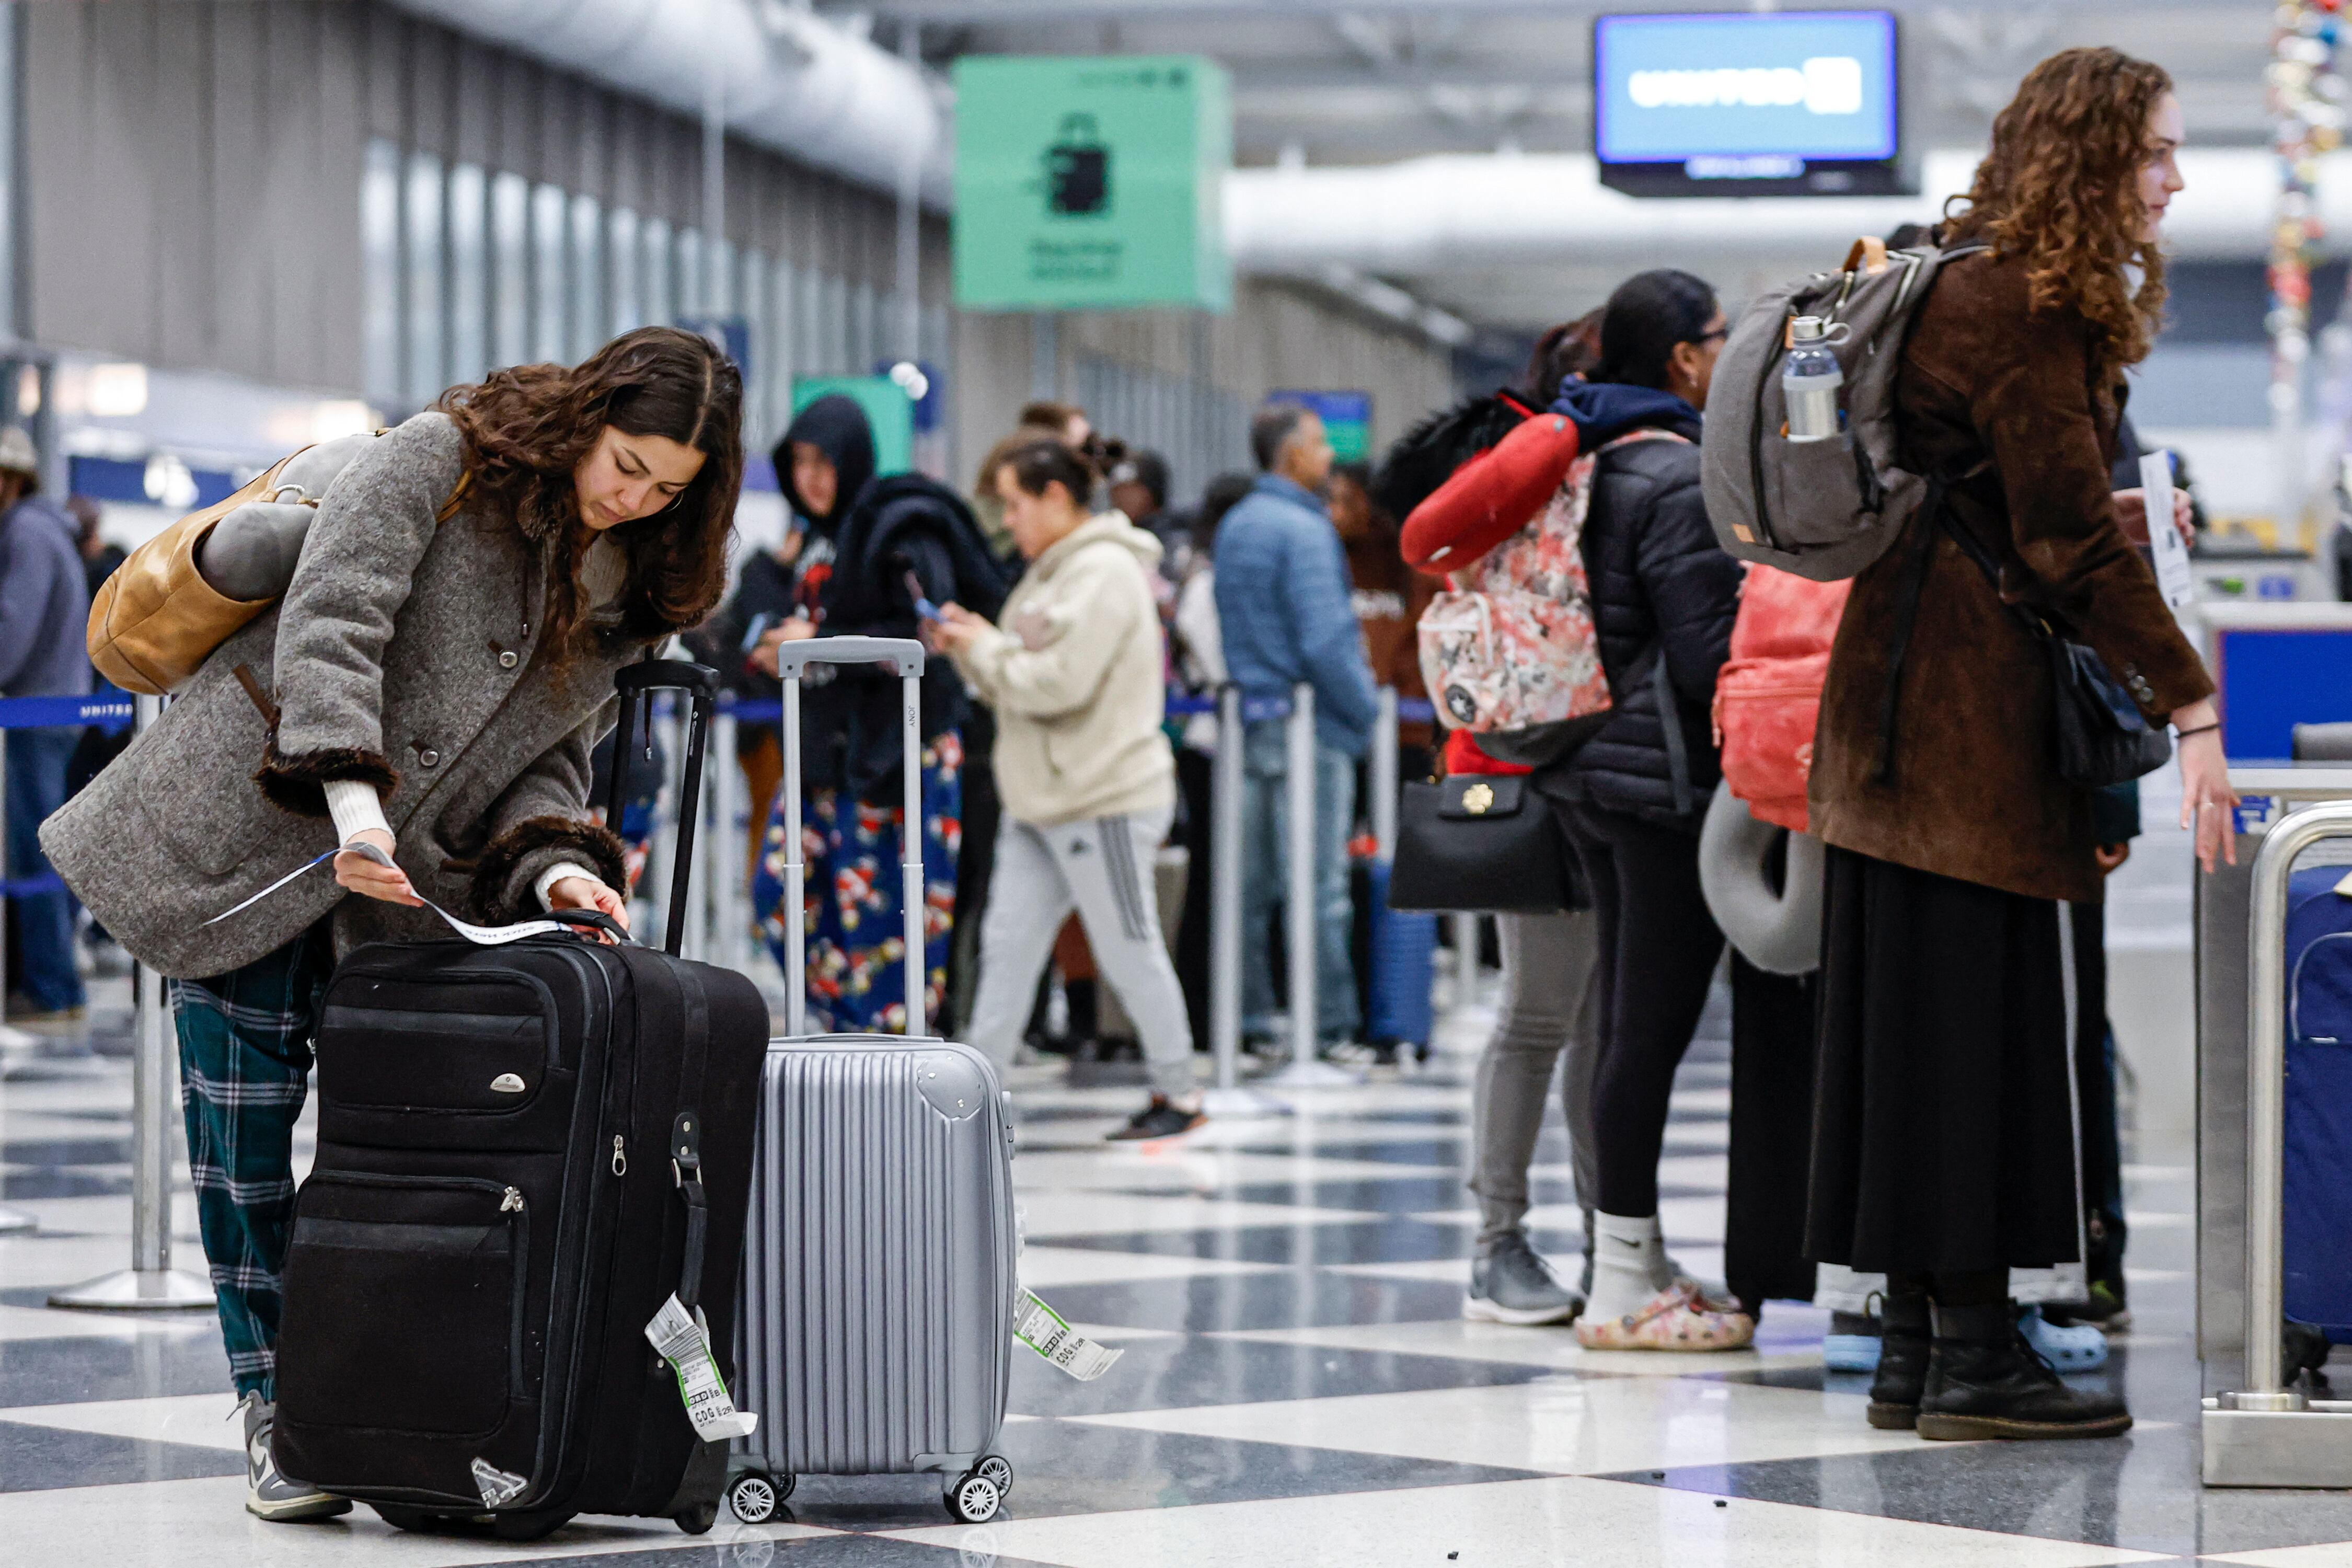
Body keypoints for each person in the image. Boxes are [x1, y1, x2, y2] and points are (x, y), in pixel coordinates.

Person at [39, 326, 744, 1519]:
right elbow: (332, 621)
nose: (634, 498)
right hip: (250, 839)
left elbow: (547, 759)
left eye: (667, 488)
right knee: (242, 1152)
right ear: (588, 418)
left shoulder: (632, 589)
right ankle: (280, 1414)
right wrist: (353, 804)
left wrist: (554, 871)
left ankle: (377, 1401)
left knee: (396, 1169)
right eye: (626, 464)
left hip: (412, 904)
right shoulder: (441, 457)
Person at [1805, 48, 2229, 1440]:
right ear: (2092, 155)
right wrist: (2191, 707)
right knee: (1972, 1037)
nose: (2174, 179)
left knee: (1912, 1029)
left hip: (1893, 705)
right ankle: (1976, 1359)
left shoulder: (1958, 270)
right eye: (2156, 151)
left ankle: (1920, 1352)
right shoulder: (2029, 303)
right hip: (1961, 721)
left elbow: (2010, 506)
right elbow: (2064, 546)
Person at [1534, 270, 1748, 1351]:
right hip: (1663, 788)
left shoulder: (1590, 459)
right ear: (1683, 359)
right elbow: (1710, 657)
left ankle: (1629, 1256)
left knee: (1623, 1022)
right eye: (1719, 335)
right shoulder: (1676, 475)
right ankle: (1622, 1279)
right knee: (1648, 1031)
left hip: (1589, 774)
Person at [933, 439, 1203, 1138]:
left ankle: (1180, 1093)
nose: (1009, 520)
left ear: (1056, 497)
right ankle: (977, 1101)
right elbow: (1017, 674)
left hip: (1103, 797)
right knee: (1007, 948)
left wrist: (984, 648)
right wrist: (975, 646)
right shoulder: (1052, 572)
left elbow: (1059, 683)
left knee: (1129, 948)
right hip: (1039, 799)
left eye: (1015, 504)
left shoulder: (1105, 571)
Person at [747, 395, 1007, 1034]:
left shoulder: (901, 524)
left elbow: (929, 632)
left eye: (824, 462)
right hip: (822, 758)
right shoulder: (814, 540)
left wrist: (817, 641)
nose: (811, 477)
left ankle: (889, 1053)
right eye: (799, 462)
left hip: (899, 755)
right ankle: (849, 1035)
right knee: (782, 901)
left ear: (853, 459)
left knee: (889, 927)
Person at [1216, 403, 1378, 1054]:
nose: (1328, 455)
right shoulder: (1306, 531)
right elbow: (1325, 640)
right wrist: (1366, 710)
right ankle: (1328, 1025)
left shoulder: (1237, 525)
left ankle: (1250, 1021)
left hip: (1250, 724)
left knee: (1248, 890)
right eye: (1318, 443)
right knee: (1318, 888)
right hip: (1311, 727)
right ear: (1290, 454)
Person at [0, 428, 93, 1027]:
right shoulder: (40, 528)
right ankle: (51, 984)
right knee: (38, 852)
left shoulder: (28, 534)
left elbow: (12, 630)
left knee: (32, 857)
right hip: (50, 710)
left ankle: (53, 989)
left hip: (36, 714)